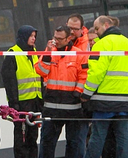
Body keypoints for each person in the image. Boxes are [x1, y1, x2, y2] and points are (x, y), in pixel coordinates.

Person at [82, 15, 128, 158]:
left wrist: (86, 94)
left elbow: (96, 73)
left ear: (106, 25)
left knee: (98, 135)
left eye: (97, 28)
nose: (96, 31)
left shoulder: (101, 44)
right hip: (126, 98)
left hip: (104, 99)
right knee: (123, 135)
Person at [35, 26, 88, 158]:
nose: (56, 41)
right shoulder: (50, 52)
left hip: (73, 107)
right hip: (51, 107)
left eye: (59, 39)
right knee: (47, 144)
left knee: (73, 145)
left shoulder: (78, 54)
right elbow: (40, 71)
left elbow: (84, 75)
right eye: (54, 38)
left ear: (68, 38)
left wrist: (78, 92)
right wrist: (47, 52)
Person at [1, 25, 44, 158]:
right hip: (21, 104)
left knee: (33, 137)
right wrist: (14, 104)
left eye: (34, 36)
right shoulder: (12, 53)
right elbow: (10, 82)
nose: (33, 39)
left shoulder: (34, 52)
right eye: (31, 36)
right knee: (21, 138)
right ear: (23, 37)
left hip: (35, 102)